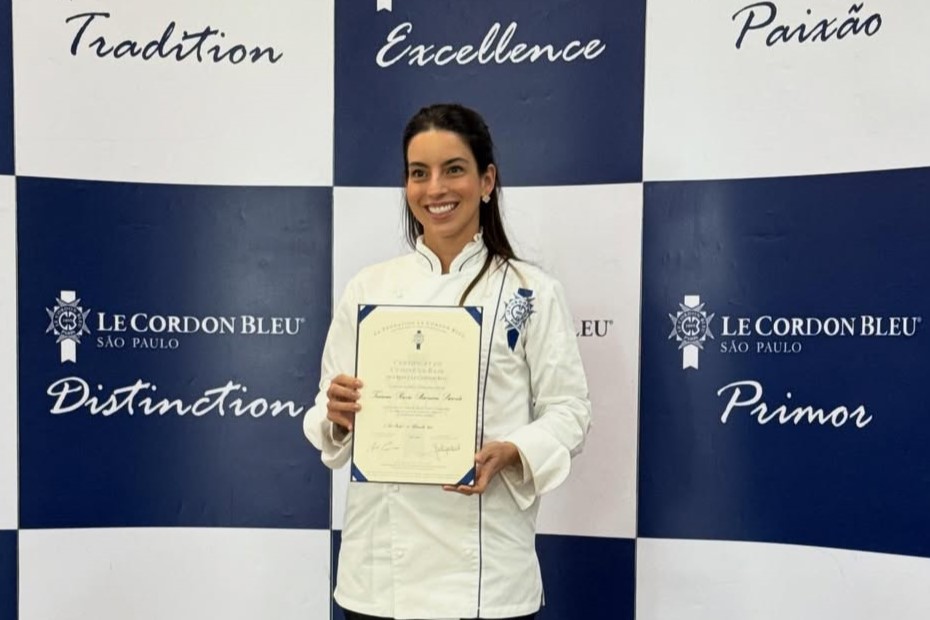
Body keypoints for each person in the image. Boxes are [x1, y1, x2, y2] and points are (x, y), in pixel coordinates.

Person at [304, 103, 591, 620]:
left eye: (453, 169)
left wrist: (511, 450)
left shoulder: (531, 291)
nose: (435, 189)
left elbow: (569, 410)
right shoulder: (369, 288)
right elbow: (323, 410)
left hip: (487, 579)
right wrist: (337, 413)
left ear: (487, 181)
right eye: (419, 173)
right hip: (378, 579)